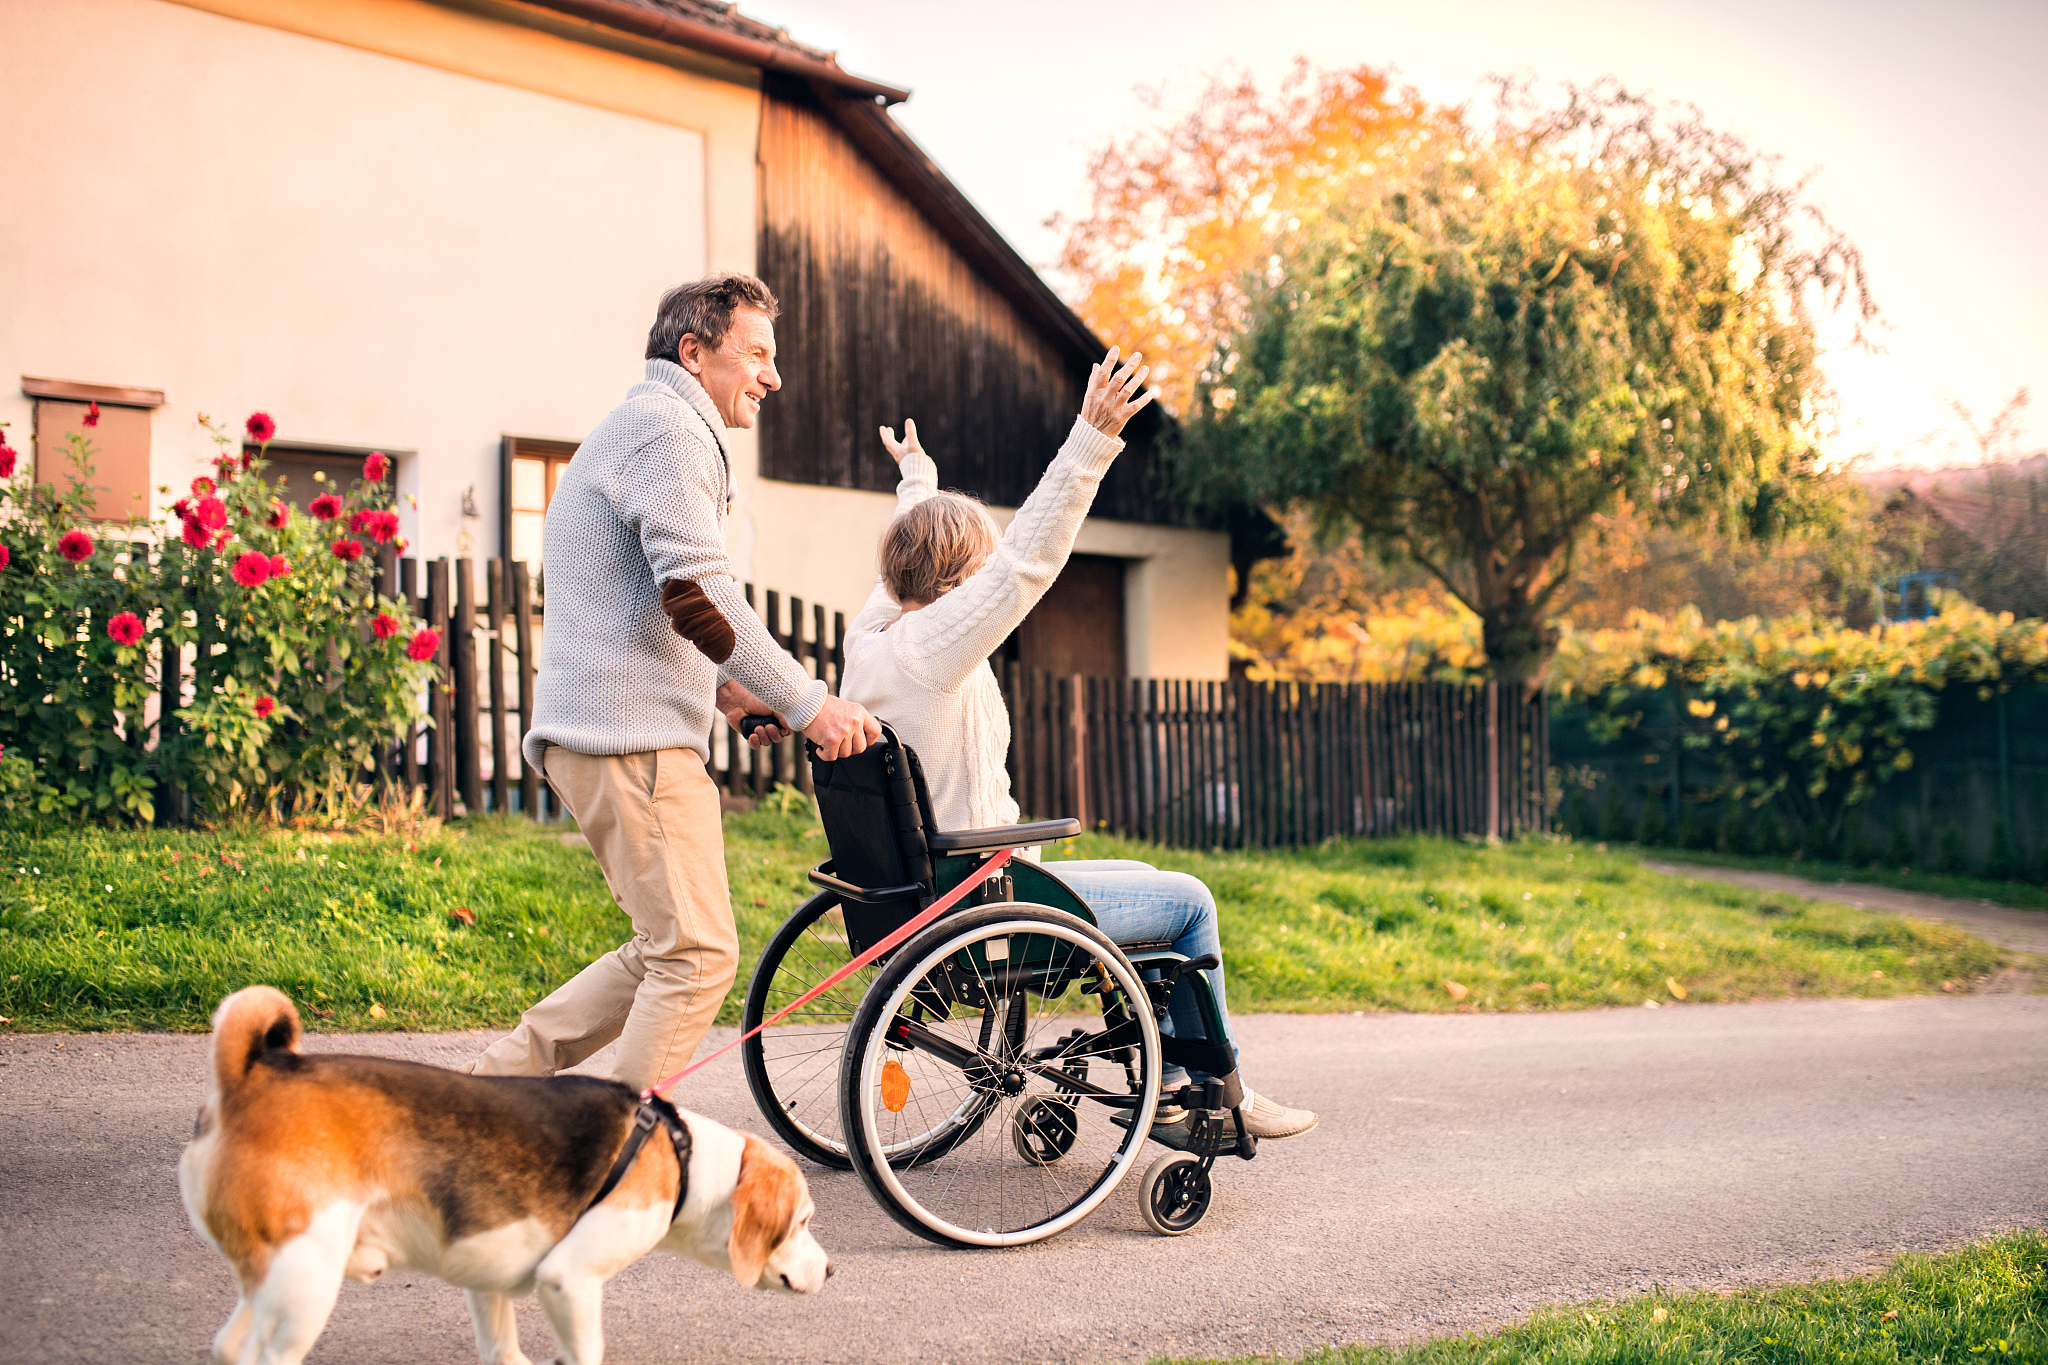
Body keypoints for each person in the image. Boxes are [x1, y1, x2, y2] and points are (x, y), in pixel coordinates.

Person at [822, 345, 1315, 1139]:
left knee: (1147, 877)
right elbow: (1024, 562)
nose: (988, 592)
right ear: (956, 589)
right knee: (1188, 900)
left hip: (929, 889)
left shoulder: (876, 635)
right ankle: (1213, 1087)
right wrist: (1090, 437)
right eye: (973, 578)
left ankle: (1171, 1068)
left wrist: (918, 482)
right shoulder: (937, 643)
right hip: (986, 897)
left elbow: (908, 563)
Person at [467, 273, 880, 1097]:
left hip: (606, 732)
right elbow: (696, 588)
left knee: (666, 948)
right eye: (756, 353)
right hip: (633, 742)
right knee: (695, 956)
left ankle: (480, 1097)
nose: (773, 375)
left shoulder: (645, 425)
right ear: (694, 352)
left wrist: (728, 692)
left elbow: (647, 594)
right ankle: (613, 1158)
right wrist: (807, 701)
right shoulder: (672, 430)